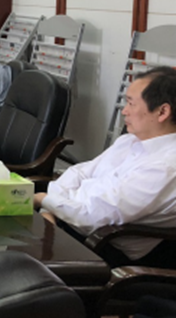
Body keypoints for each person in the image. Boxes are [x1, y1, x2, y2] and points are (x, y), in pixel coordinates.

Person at [34, 67, 176, 268]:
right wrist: (49, 209)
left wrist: (43, 200)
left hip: (101, 248)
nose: (124, 111)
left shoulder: (166, 167)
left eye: (131, 103)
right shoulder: (129, 141)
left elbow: (91, 218)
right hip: (66, 219)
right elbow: (79, 172)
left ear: (162, 112)